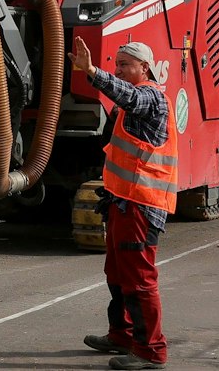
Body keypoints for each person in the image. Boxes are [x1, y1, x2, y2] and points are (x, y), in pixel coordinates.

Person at [73, 36, 173, 369]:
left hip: (141, 205)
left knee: (139, 279)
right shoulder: (133, 102)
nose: (118, 70)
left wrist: (91, 71)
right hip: (124, 202)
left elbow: (128, 95)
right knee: (117, 274)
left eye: (125, 65)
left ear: (145, 67)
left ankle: (151, 351)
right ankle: (122, 335)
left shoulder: (152, 97)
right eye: (116, 65)